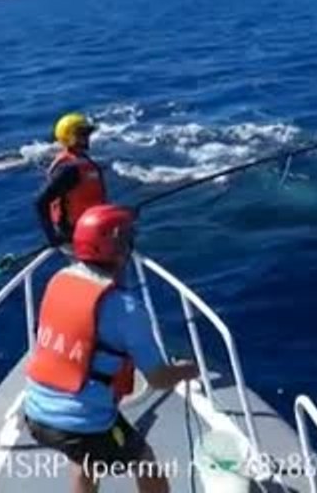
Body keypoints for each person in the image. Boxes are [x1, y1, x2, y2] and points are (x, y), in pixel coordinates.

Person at [23, 204, 199, 493]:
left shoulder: (59, 279)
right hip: (82, 424)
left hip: (35, 413)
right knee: (144, 461)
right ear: (118, 245)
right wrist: (189, 370)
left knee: (84, 459)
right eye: (128, 237)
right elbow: (157, 379)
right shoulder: (126, 309)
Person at [37, 113, 109, 247]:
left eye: (87, 134)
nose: (87, 138)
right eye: (82, 134)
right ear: (68, 137)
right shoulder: (68, 169)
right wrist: (52, 236)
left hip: (91, 229)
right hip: (74, 235)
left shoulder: (81, 160)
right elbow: (41, 202)